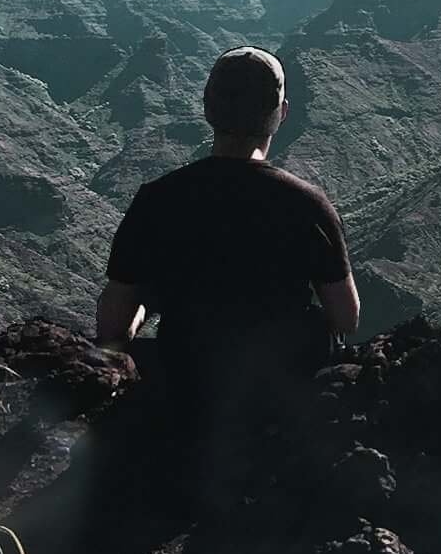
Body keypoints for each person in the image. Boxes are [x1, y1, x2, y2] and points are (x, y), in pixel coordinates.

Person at [94, 46, 360, 504]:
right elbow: (347, 317)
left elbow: (113, 324)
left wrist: (145, 311)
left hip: (186, 384)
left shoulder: (158, 199)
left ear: (206, 108)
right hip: (279, 395)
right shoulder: (307, 204)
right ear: (281, 113)